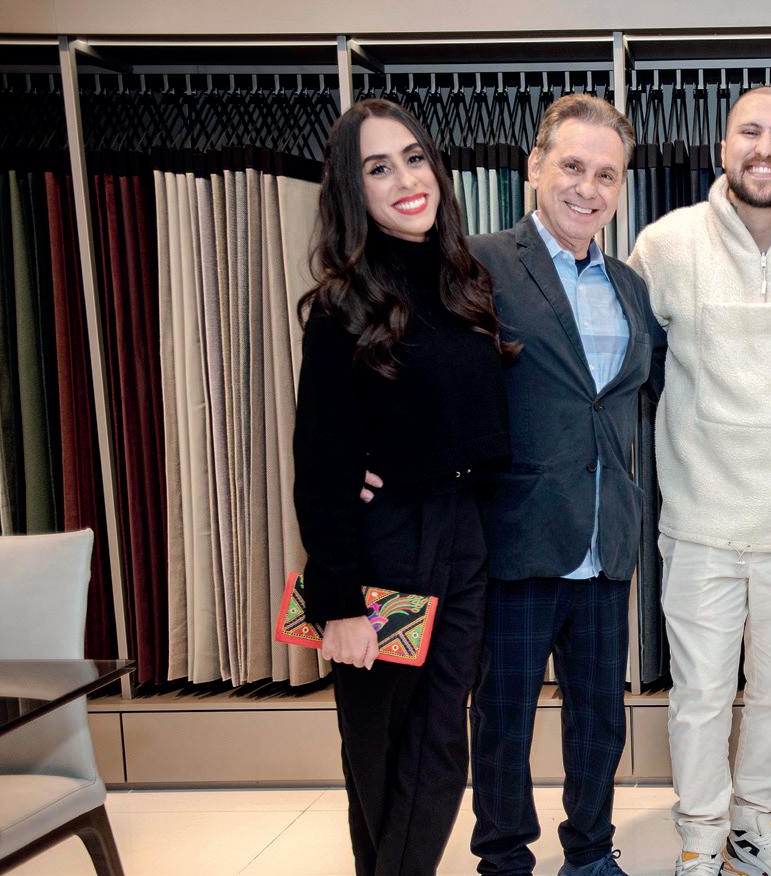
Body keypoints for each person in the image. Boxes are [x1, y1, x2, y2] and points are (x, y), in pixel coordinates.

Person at [628, 85, 771, 876]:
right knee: (698, 694)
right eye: (749, 132)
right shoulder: (666, 244)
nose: (764, 149)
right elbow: (624, 365)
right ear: (723, 146)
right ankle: (700, 836)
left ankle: (753, 824)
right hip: (699, 518)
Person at [292, 98, 518, 876]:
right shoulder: (343, 305)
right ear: (353, 190)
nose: (406, 180)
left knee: (439, 744)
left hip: (462, 536)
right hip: (387, 543)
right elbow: (320, 459)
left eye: (414, 159)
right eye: (378, 168)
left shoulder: (464, 285)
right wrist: (338, 603)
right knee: (380, 746)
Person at [465, 93, 665, 876]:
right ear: (534, 167)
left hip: (604, 537)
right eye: (573, 167)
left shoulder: (630, 286)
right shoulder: (479, 264)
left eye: (606, 175)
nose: (588, 188)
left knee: (598, 718)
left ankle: (588, 851)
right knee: (504, 716)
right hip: (517, 533)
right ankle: (504, 857)